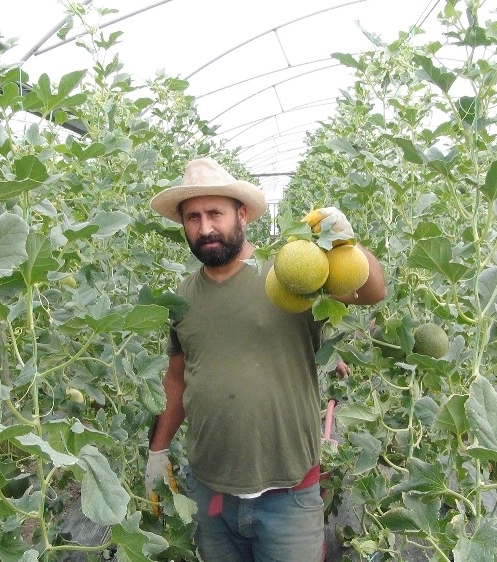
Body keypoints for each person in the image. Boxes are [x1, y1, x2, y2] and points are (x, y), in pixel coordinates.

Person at [145, 156, 386, 561]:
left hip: (288, 496)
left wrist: (344, 240)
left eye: (215, 214)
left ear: (241, 214)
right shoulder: (182, 297)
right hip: (212, 493)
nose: (205, 228)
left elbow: (370, 290)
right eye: (193, 218)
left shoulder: (291, 274)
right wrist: (158, 451)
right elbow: (177, 378)